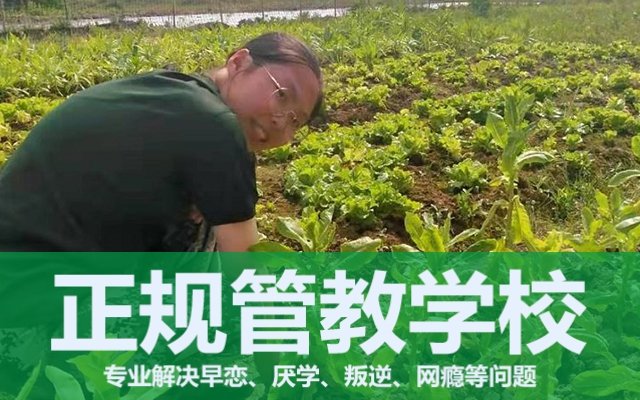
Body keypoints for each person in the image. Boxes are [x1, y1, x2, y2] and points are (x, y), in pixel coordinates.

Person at [0, 31, 324, 252]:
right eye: (282, 95)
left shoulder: (176, 98)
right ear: (238, 63)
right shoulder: (214, 123)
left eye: (296, 120)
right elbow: (247, 273)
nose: (281, 121)